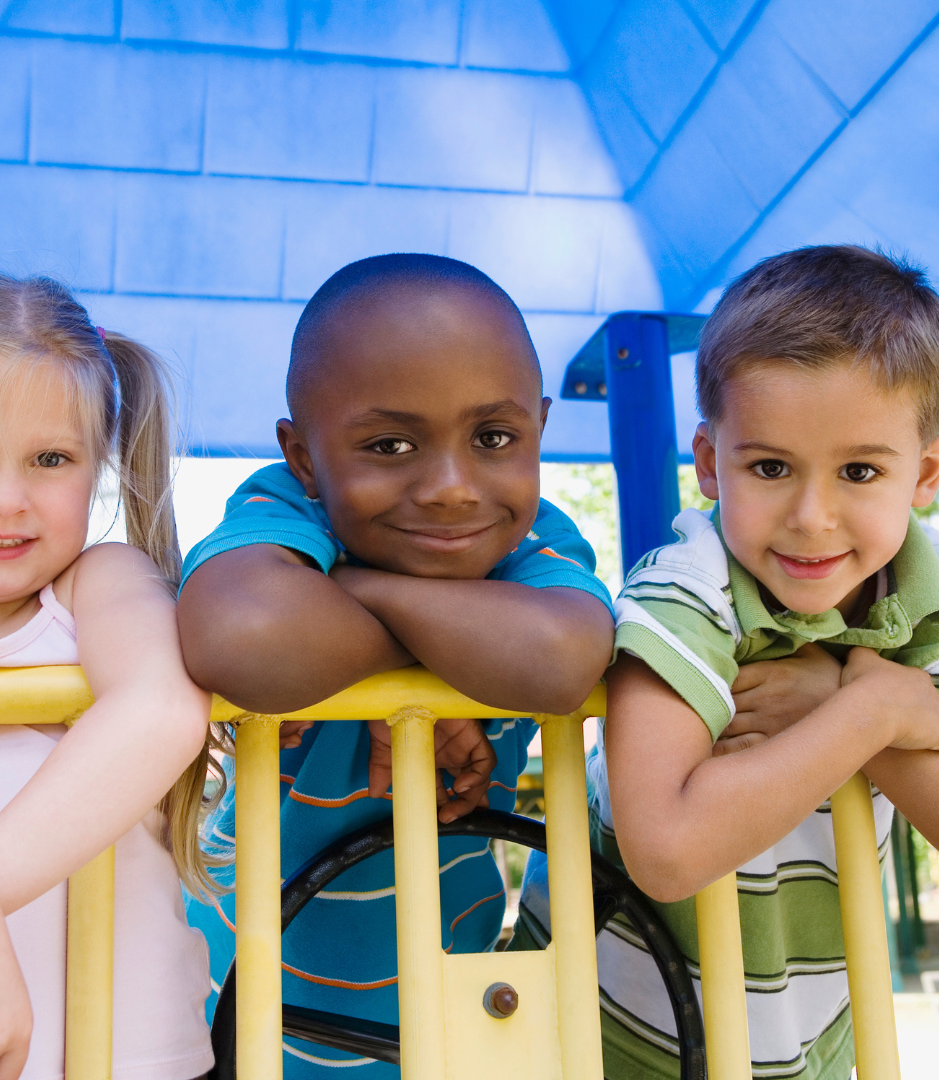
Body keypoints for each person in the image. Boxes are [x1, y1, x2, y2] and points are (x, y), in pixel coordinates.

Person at [177, 253, 616, 1077]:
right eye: (390, 444)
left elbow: (559, 656)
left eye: (494, 437)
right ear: (304, 456)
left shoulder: (538, 541)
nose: (452, 488)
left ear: (540, 429)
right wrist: (451, 645)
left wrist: (357, 592)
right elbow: (240, 634)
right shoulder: (284, 508)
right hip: (236, 1011)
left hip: (444, 1016)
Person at [586, 245, 939, 1080]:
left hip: (809, 1042)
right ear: (710, 464)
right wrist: (877, 711)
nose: (813, 518)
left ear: (923, 476)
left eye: (859, 470)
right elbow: (667, 851)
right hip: (618, 1039)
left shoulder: (921, 600)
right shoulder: (687, 588)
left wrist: (853, 704)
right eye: (771, 467)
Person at [0, 275, 223, 1080]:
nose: (5, 498)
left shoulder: (104, 584)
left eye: (50, 459)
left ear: (94, 470)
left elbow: (162, 708)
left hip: (131, 1061)